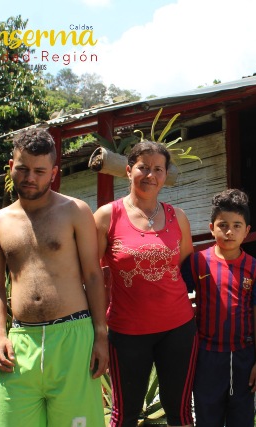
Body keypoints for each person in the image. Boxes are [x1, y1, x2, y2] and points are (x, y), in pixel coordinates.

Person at [0, 128, 107, 427]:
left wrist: (101, 336)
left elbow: (93, 275)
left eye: (40, 171)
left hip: (73, 338)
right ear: (11, 167)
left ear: (53, 173)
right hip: (20, 343)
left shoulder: (75, 211)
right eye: (23, 169)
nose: (30, 177)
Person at [94, 140, 197, 427]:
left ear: (165, 175)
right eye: (143, 167)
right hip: (127, 331)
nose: (150, 175)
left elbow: (186, 267)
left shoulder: (178, 217)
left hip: (178, 328)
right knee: (124, 414)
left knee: (180, 412)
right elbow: (91, 274)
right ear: (128, 171)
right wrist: (98, 329)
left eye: (158, 169)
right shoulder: (107, 216)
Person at [182, 189, 256, 427]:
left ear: (247, 231)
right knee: (207, 418)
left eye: (237, 226)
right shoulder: (197, 262)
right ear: (212, 228)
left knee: (241, 420)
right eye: (223, 225)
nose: (229, 231)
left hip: (243, 357)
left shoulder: (255, 268)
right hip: (206, 356)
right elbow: (178, 298)